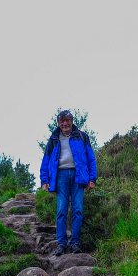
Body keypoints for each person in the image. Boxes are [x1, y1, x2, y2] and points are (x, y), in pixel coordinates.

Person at [40, 110, 97, 256]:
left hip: (79, 175)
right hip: (61, 176)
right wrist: (44, 180)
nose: (65, 123)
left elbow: (91, 158)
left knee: (77, 210)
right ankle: (61, 244)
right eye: (62, 121)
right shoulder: (53, 139)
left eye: (67, 120)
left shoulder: (82, 136)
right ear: (58, 123)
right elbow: (46, 160)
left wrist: (92, 178)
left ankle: (75, 243)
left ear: (72, 121)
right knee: (61, 210)